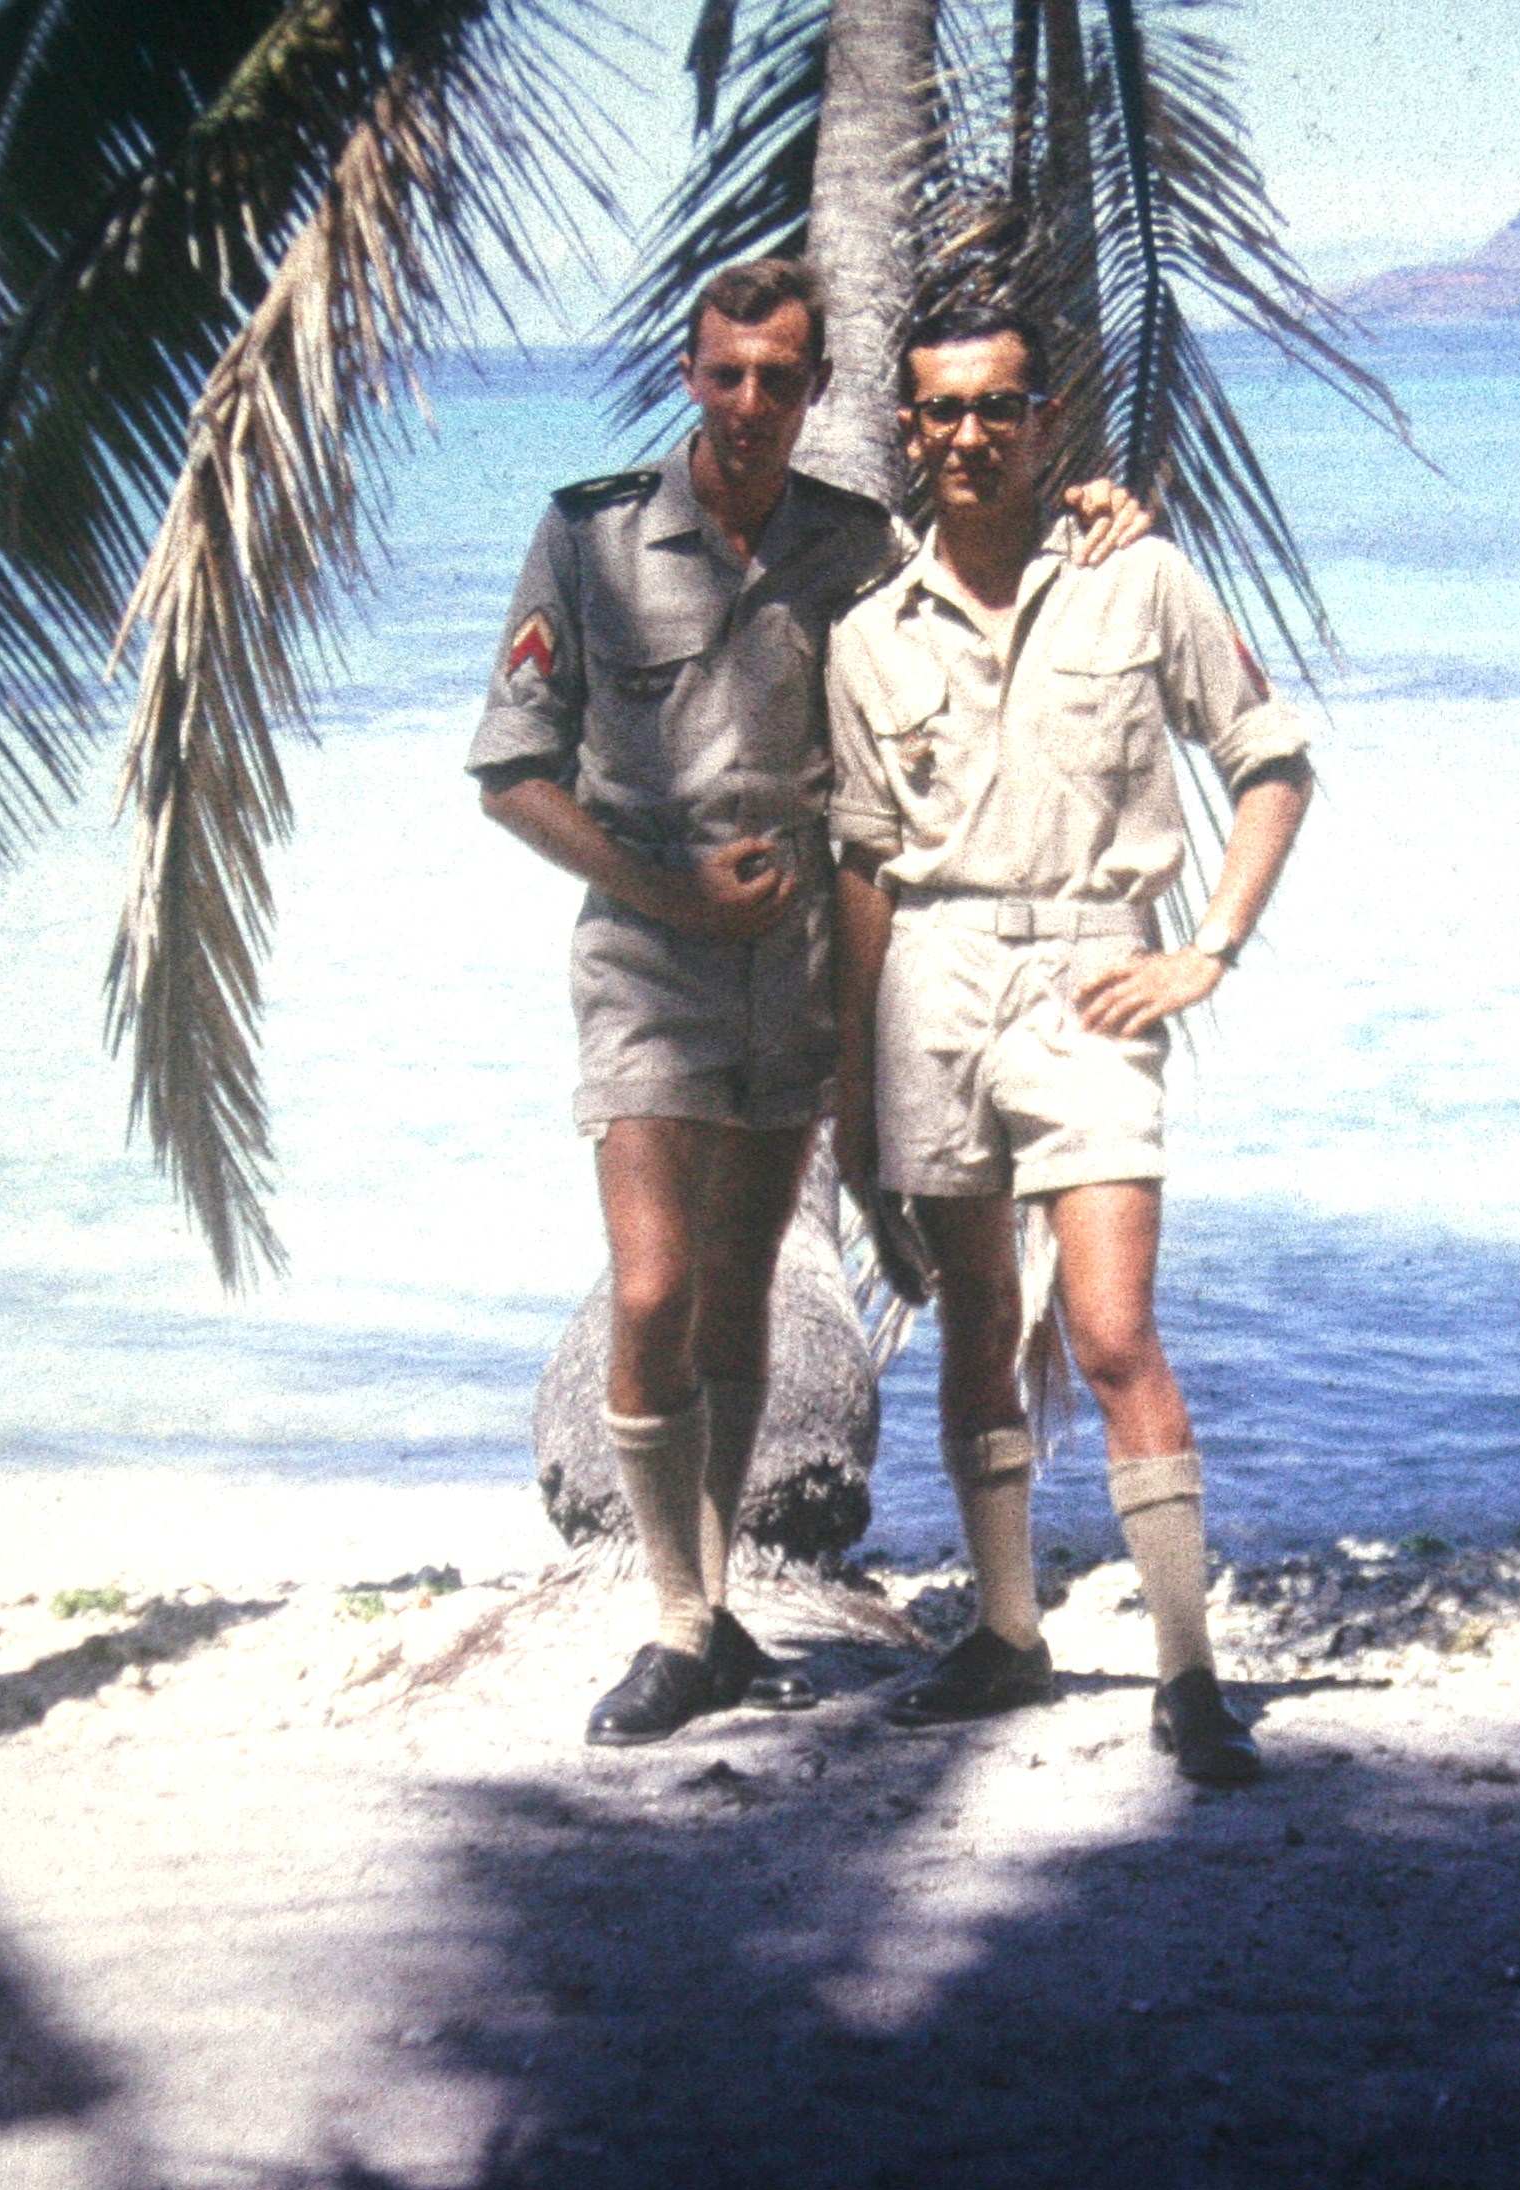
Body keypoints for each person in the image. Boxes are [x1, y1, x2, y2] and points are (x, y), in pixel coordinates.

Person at [468, 260, 1143, 1747]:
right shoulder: (590, 539)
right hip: (646, 968)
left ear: (819, 387)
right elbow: (511, 774)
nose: (752, 402)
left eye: (781, 377)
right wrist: (668, 893)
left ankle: (711, 1619)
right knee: (653, 1290)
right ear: (690, 375)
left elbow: (981, 597)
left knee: (738, 1297)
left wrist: (1101, 516)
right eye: (727, 374)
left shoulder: (855, 544)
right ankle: (672, 1617)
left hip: (805, 977)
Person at [825, 303, 1314, 1786]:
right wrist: (856, 1086)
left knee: (1109, 1332)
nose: (971, 434)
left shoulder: (1139, 577)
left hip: (1095, 975)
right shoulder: (867, 636)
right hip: (932, 986)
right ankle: (1007, 1635)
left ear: (1046, 420)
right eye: (944, 411)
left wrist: (1207, 950)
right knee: (976, 1323)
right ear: (910, 432)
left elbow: (1274, 763)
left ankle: (1189, 1674)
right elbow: (864, 863)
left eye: (1000, 406)